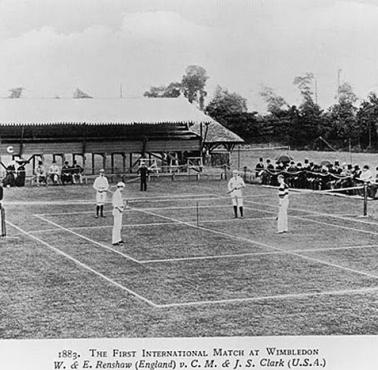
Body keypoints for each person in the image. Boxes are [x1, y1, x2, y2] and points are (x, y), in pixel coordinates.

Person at [112, 182, 126, 246]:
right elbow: (115, 204)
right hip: (117, 211)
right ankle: (115, 240)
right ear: (120, 187)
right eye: (122, 187)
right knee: (116, 226)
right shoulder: (116, 194)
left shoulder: (119, 194)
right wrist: (120, 209)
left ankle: (119, 239)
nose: (123, 189)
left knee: (119, 226)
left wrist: (123, 206)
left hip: (119, 211)